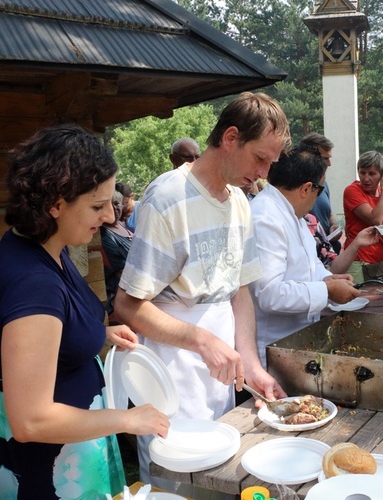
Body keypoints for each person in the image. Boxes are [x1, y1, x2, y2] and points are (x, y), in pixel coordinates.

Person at [0, 124, 169, 498]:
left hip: (68, 450)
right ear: (56, 203)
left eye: (111, 203)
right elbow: (32, 419)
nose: (110, 217)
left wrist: (98, 333)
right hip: (47, 471)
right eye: (97, 206)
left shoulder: (41, 244)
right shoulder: (33, 285)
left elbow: (47, 332)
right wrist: (128, 419)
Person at [113, 92, 289, 483]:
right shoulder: (168, 196)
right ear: (230, 137)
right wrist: (202, 341)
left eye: (270, 163)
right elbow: (127, 305)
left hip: (218, 367)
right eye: (260, 158)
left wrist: (254, 367)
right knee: (174, 478)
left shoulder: (240, 201)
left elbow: (239, 294)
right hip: (171, 368)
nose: (264, 172)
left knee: (219, 475)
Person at [250, 148, 379, 366]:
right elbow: (270, 294)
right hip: (271, 350)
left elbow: (310, 265)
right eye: (320, 190)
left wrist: (329, 279)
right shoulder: (265, 218)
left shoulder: (293, 215)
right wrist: (326, 290)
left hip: (296, 341)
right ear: (307, 188)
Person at [343, 151, 383, 283]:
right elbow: (375, 220)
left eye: (371, 174)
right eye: (362, 172)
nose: (365, 178)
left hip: (381, 260)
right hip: (359, 261)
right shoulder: (352, 191)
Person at [300, 132, 342, 253]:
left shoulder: (324, 183)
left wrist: (333, 225)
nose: (329, 164)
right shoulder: (295, 185)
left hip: (328, 249)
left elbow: (328, 212)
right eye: (325, 158)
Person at [100, 190, 134, 317]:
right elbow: (121, 272)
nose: (114, 208)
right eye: (109, 204)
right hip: (120, 297)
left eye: (116, 203)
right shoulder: (104, 234)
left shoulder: (121, 226)